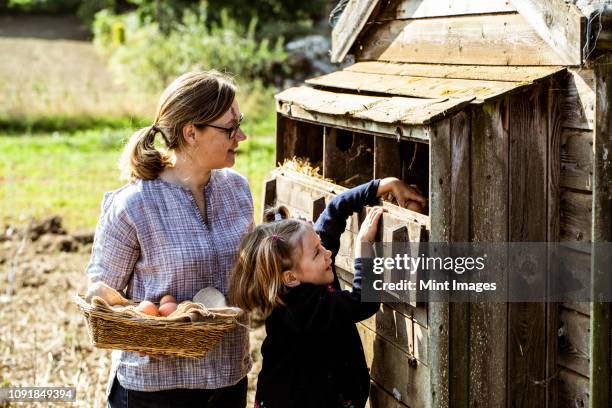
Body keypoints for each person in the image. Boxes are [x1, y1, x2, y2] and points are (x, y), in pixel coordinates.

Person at [85, 70, 253, 408]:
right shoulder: (135, 204)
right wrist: (140, 328)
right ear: (191, 132)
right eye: (230, 128)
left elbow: (249, 275)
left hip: (227, 379)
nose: (243, 136)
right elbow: (97, 293)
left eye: (241, 123)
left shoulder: (237, 190)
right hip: (155, 389)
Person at [229, 178, 426, 408]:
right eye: (317, 251)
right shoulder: (306, 310)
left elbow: (335, 211)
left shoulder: (306, 265)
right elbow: (364, 301)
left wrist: (386, 185)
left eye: (320, 244)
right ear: (291, 278)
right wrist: (364, 244)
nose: (327, 252)